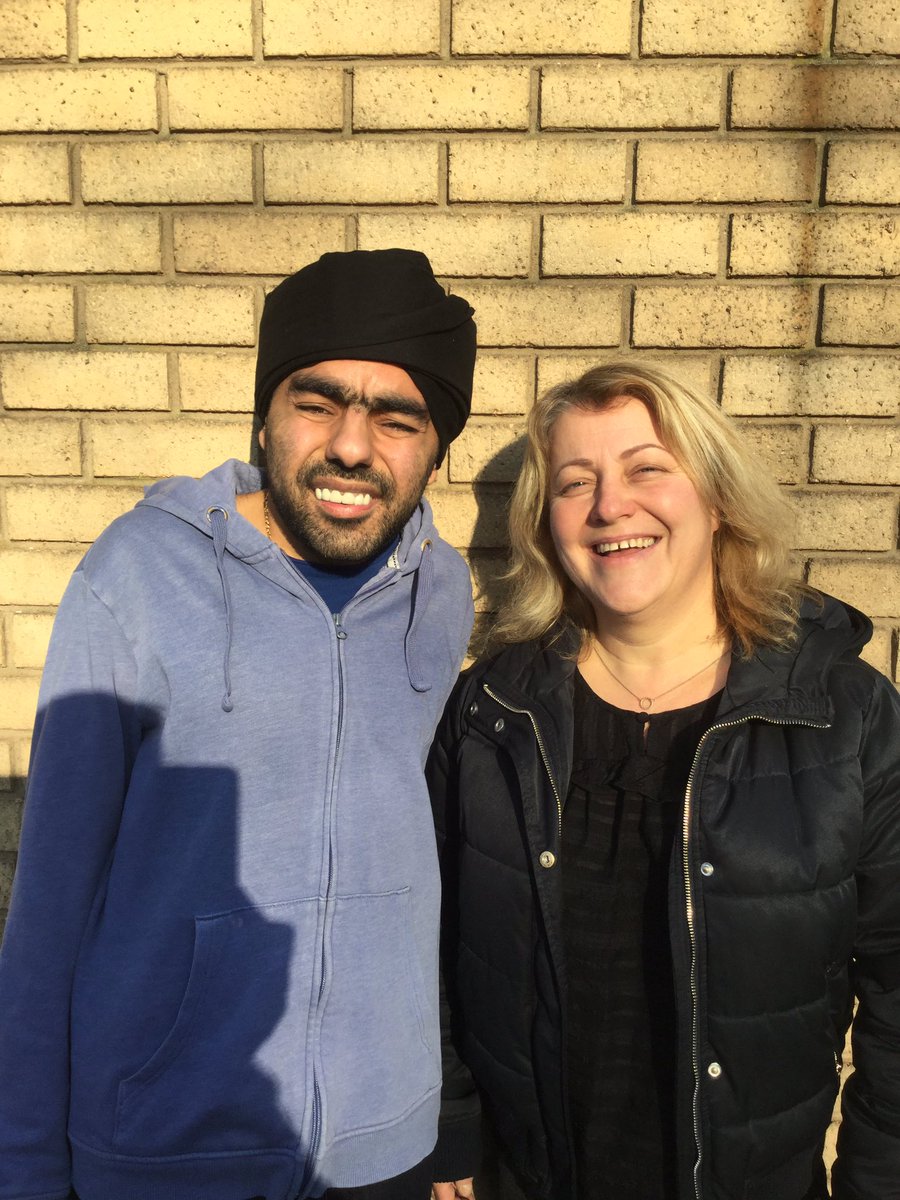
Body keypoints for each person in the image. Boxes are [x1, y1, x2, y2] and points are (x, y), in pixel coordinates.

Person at [0, 249, 478, 1200]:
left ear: (436, 448)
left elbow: (415, 877)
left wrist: (439, 1119)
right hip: (164, 1150)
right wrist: (22, 1168)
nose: (352, 446)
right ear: (266, 413)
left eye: (397, 417)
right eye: (318, 401)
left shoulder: (443, 593)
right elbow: (49, 904)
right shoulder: (136, 577)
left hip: (380, 1155)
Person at [428, 361, 900, 1200]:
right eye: (577, 483)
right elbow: (427, 940)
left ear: (716, 500)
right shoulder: (494, 712)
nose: (611, 507)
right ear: (547, 524)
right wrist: (450, 1124)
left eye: (648, 468)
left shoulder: (844, 715)